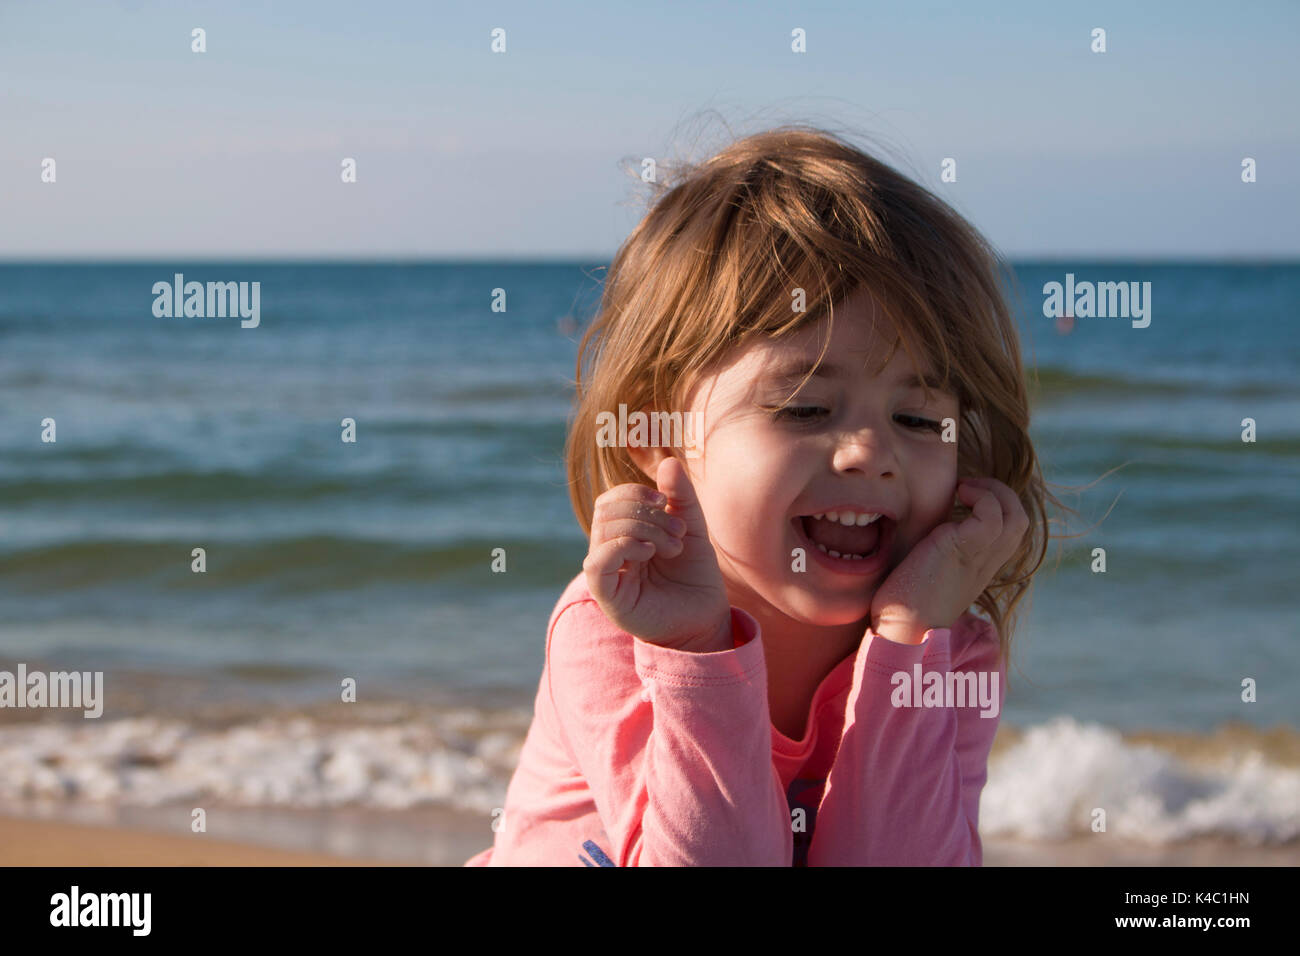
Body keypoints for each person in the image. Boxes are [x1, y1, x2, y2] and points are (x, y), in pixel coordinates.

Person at [465, 125, 1053, 866]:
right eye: (806, 407)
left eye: (916, 417)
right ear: (663, 435)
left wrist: (906, 642)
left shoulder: (948, 653)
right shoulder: (616, 629)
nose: (870, 452)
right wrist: (697, 654)